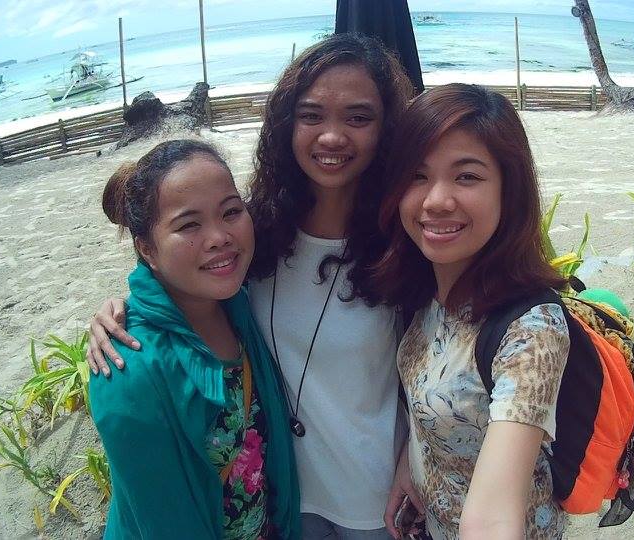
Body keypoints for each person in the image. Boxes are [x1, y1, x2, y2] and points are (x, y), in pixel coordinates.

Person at [85, 35, 421, 539]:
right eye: (311, 115)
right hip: (285, 499)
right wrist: (124, 310)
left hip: (371, 499)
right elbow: (184, 271)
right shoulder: (258, 236)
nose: (332, 136)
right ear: (287, 124)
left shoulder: (404, 242)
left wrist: (412, 456)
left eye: (358, 117)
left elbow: (438, 359)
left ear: (386, 127)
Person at [372, 84, 570, 539]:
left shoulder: (531, 331)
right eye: (417, 176)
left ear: (508, 191)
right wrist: (410, 465)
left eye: (466, 177)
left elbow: (494, 517)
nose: (436, 200)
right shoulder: (428, 291)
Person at [89, 140, 299, 539]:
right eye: (189, 225)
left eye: (231, 212)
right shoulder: (127, 369)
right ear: (147, 249)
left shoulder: (242, 305)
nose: (219, 237)